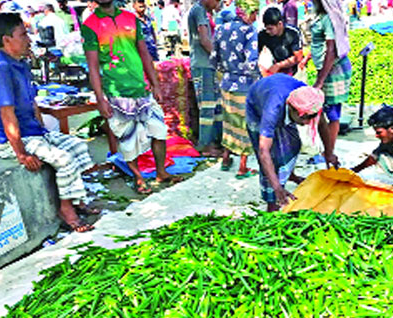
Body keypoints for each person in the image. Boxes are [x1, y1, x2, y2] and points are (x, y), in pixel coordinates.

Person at [0, 13, 97, 232]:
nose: (28, 39)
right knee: (63, 159)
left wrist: (43, 131)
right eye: (23, 34)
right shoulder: (1, 68)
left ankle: (76, 200)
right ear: (7, 40)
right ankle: (66, 209)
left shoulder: (21, 64)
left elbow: (32, 102)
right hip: (12, 140)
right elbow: (7, 115)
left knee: (79, 147)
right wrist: (21, 153)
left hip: (33, 132)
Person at [83, 0, 182, 194]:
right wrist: (100, 99)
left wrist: (155, 84)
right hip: (116, 92)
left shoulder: (131, 19)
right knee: (128, 139)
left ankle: (161, 172)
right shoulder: (90, 25)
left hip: (141, 88)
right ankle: (138, 178)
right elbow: (92, 66)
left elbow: (144, 53)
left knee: (159, 131)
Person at [246, 74, 339, 211]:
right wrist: (277, 188)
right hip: (257, 105)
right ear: (292, 109)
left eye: (311, 117)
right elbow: (263, 151)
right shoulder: (272, 110)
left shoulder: (309, 100)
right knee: (272, 157)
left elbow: (322, 125)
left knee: (292, 145)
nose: (307, 122)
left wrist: (329, 153)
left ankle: (290, 175)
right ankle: (272, 201)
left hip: (279, 89)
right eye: (305, 118)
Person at [211, 0, 260, 177]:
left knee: (229, 122)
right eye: (254, 13)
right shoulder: (249, 31)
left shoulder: (221, 28)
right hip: (244, 85)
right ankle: (242, 167)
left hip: (225, 83)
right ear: (246, 12)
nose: (255, 18)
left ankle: (226, 158)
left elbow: (214, 58)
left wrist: (227, 70)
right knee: (246, 124)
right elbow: (251, 62)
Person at [308, 0, 351, 153]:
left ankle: (329, 152)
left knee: (332, 113)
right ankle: (326, 149)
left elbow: (331, 50)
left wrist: (320, 81)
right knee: (322, 110)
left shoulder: (328, 18)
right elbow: (318, 43)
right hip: (326, 69)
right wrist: (308, 57)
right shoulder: (321, 16)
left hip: (333, 70)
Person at [188, 0, 223, 156]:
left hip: (208, 65)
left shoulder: (203, 11)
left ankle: (215, 141)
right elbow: (204, 40)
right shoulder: (199, 11)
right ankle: (205, 145)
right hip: (203, 65)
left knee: (216, 106)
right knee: (207, 106)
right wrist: (219, 59)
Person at [258, 7, 303, 76]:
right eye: (266, 28)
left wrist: (279, 65)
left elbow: (298, 57)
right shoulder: (263, 35)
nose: (268, 31)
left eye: (270, 29)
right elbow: (255, 54)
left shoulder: (293, 33)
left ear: (280, 24)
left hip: (296, 70)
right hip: (278, 70)